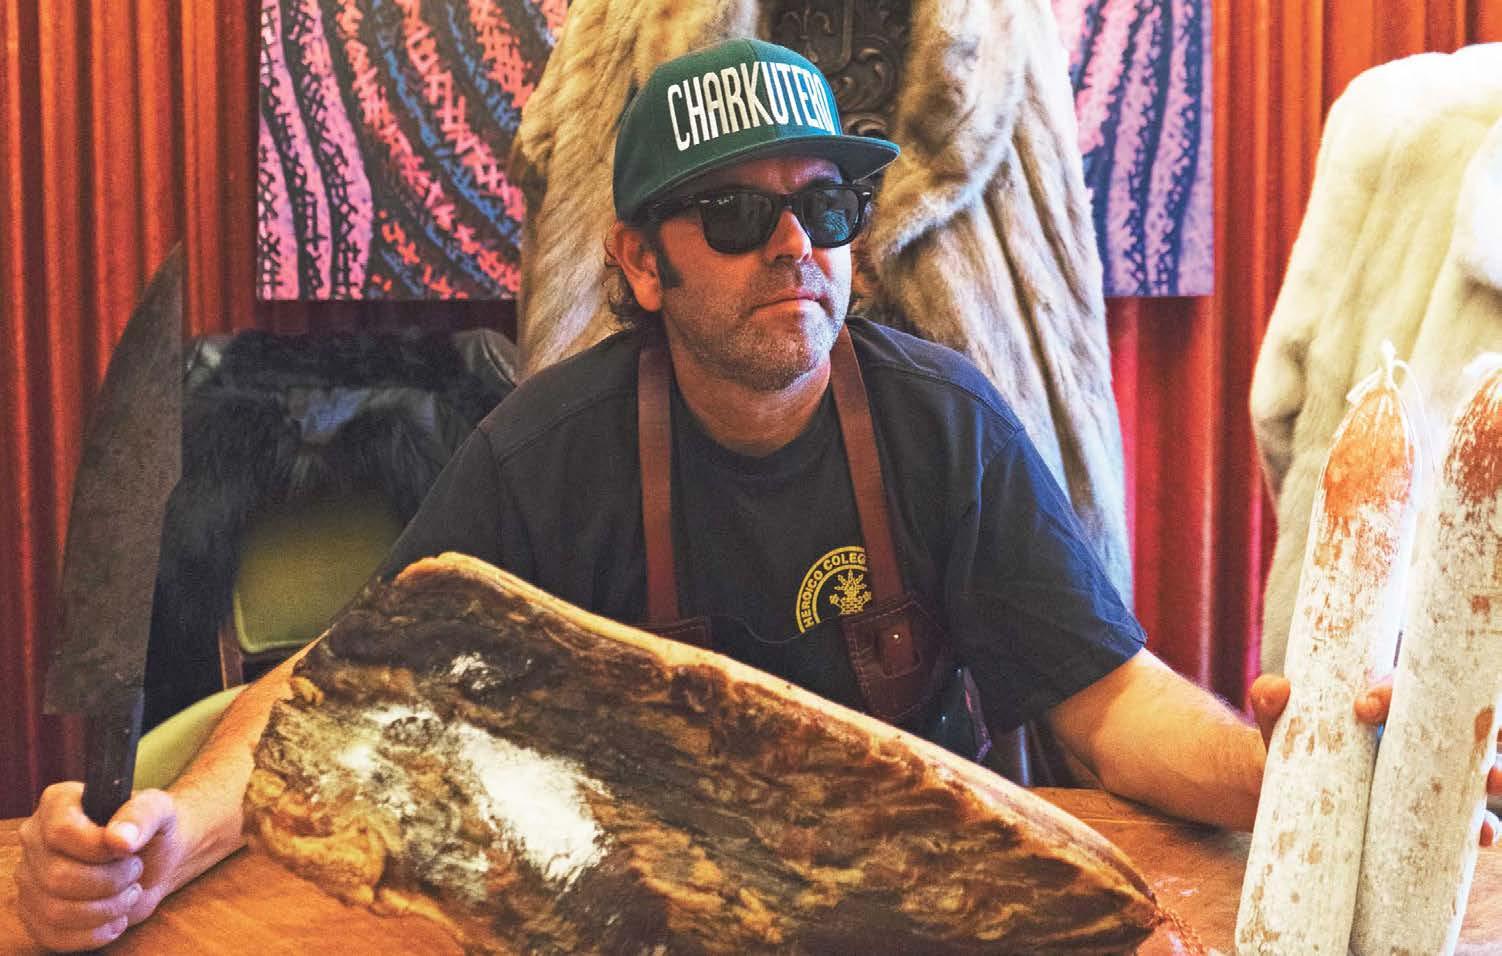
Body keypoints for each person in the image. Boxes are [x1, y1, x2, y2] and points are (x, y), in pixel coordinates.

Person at [17, 37, 1502, 952]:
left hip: (918, 911)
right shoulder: (545, 452)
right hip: (644, 917)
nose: (794, 244)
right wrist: (161, 839)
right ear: (639, 264)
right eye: (734, 214)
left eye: (825, 204)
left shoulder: (942, 421)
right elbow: (349, 683)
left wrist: (1295, 769)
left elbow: (1109, 704)